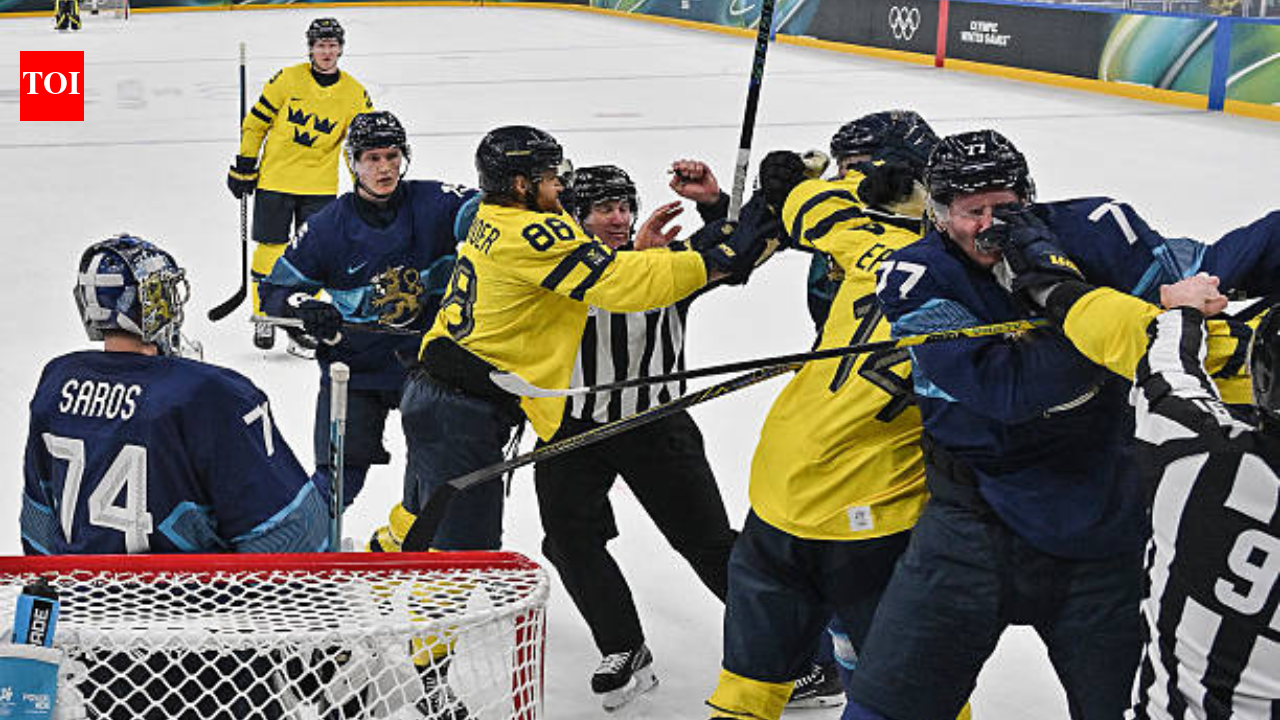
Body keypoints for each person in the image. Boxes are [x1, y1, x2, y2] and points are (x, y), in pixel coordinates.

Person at [845, 129, 1280, 720]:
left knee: (1129, 709)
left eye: (1006, 208)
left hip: (1105, 523)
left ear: (1030, 196)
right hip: (971, 529)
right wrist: (1082, 299)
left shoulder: (1097, 226)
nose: (990, 226)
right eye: (973, 212)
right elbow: (1009, 389)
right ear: (940, 217)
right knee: (883, 710)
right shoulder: (914, 276)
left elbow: (1213, 272)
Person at [394, 124, 772, 556]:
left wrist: (712, 215)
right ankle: (439, 622)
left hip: (441, 392)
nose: (559, 183)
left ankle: (375, 566)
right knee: (465, 552)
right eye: (550, 175)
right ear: (520, 184)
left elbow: (616, 263)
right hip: (461, 412)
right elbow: (617, 281)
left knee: (420, 515)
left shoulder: (498, 214)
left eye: (623, 207)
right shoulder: (535, 236)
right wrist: (707, 262)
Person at [704, 110, 966, 720]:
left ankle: (831, 662)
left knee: (746, 692)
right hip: (872, 511)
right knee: (918, 693)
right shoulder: (972, 276)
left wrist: (797, 183)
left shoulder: (856, 235)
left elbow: (816, 208)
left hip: (779, 489)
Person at [20, 235, 329, 720]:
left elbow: (38, 530)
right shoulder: (210, 393)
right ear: (153, 302)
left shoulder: (56, 381)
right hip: (206, 653)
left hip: (98, 648)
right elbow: (294, 533)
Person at [530, 162, 755, 710]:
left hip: (656, 426)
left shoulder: (664, 265)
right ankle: (623, 647)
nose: (619, 218)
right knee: (568, 541)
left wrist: (715, 202)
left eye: (624, 207)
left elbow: (740, 252)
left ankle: (801, 652)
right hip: (574, 427)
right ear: (574, 217)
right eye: (604, 209)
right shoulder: (549, 269)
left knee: (707, 544)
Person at [259, 110, 477, 512]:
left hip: (426, 368)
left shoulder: (435, 201)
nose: (385, 168)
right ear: (352, 163)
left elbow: (490, 215)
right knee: (337, 481)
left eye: (392, 156)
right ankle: (305, 550)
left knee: (435, 476)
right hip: (354, 373)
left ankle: (407, 548)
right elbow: (275, 291)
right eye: (372, 158)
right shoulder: (326, 228)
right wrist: (306, 307)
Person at [226, 17, 374, 352]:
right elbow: (256, 124)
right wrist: (245, 164)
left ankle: (302, 319)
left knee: (315, 256)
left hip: (320, 187)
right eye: (321, 45)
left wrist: (364, 188)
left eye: (333, 45)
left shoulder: (353, 92)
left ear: (341, 48)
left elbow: (360, 148)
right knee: (272, 248)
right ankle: (264, 315)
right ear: (310, 48)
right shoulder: (287, 79)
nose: (327, 51)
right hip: (276, 181)